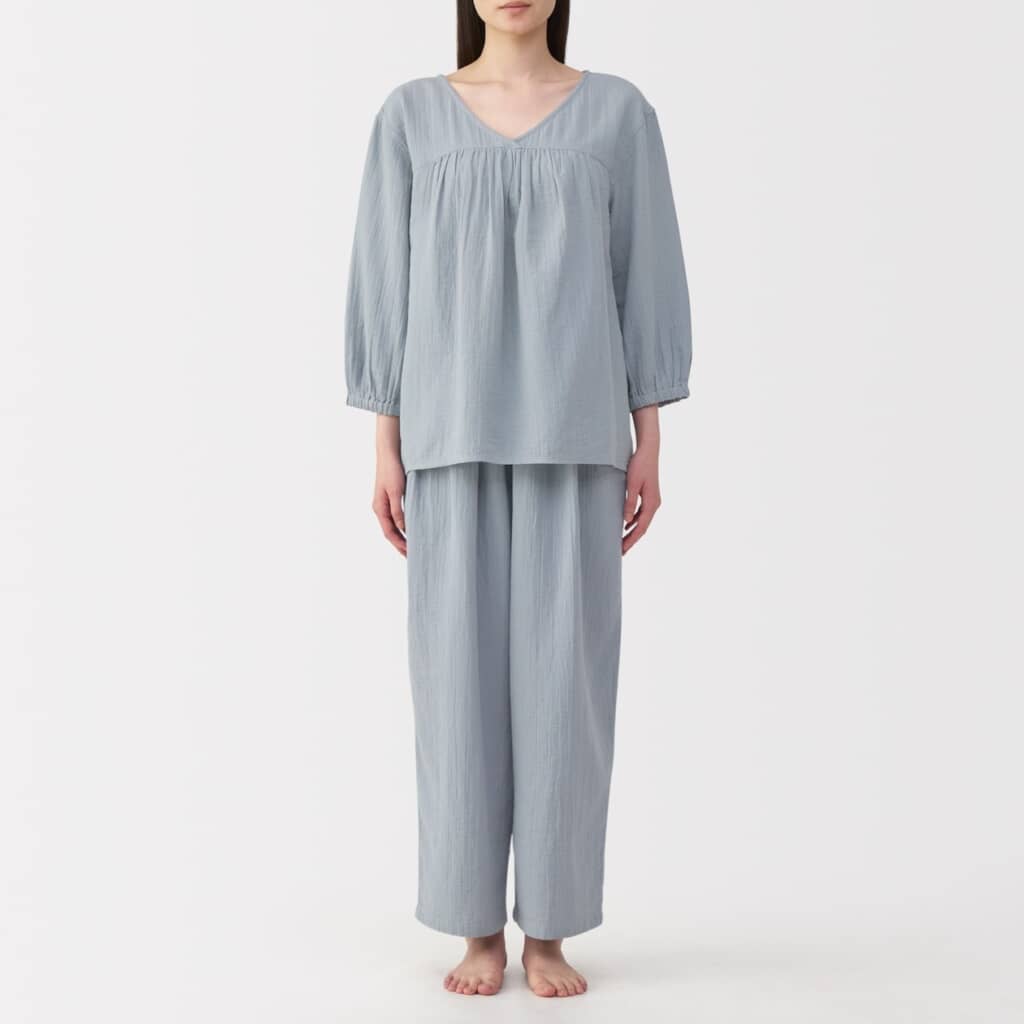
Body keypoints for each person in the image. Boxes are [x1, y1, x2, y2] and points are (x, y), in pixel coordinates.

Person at [344, 0, 691, 999]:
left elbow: (645, 274)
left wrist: (649, 435)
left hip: (577, 436)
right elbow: (385, 278)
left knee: (564, 690)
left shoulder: (618, 114)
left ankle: (549, 928)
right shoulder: (410, 116)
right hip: (447, 436)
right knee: (454, 688)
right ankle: (473, 929)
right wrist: (385, 442)